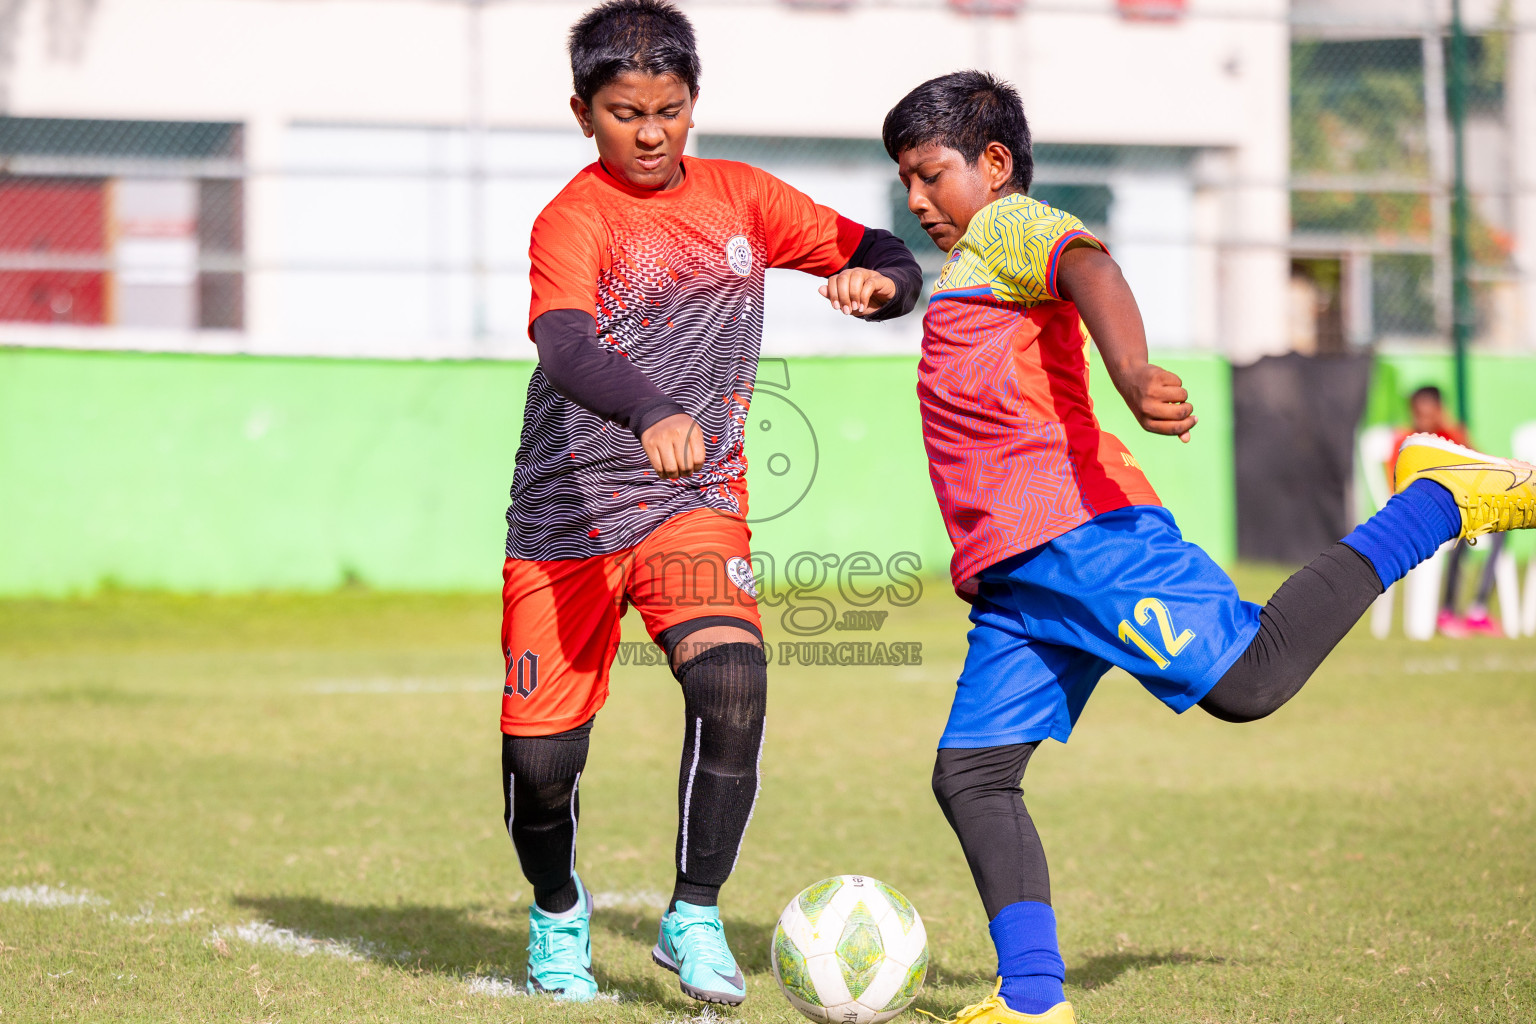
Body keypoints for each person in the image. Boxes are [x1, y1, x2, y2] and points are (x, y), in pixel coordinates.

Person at [880, 70, 1536, 1024]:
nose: (916, 200)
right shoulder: (963, 267)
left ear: (993, 164)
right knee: (972, 775)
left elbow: (1089, 267)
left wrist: (1135, 372)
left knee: (1250, 681)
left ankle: (1438, 499)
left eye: (929, 174)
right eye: (903, 180)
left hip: (1080, 533)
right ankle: (1031, 1001)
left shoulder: (1006, 226)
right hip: (1019, 580)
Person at [499, 0, 923, 1005]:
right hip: (568, 516)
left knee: (732, 681)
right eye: (622, 112)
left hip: (694, 499)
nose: (649, 133)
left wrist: (882, 287)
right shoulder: (574, 218)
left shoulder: (742, 199)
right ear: (581, 112)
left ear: (694, 104)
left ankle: (693, 913)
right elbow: (562, 344)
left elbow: (889, 248)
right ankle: (557, 907)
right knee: (543, 762)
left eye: (669, 108)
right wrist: (647, 406)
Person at [1386, 385, 1506, 637]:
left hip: (1457, 512)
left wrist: (1453, 431)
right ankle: (1448, 610)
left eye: (1430, 413)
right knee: (1459, 533)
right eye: (1419, 413)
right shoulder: (1406, 441)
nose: (1424, 420)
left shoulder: (1449, 438)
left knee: (1499, 530)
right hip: (1421, 516)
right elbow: (1396, 487)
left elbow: (1479, 467)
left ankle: (1478, 609)